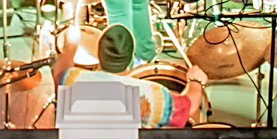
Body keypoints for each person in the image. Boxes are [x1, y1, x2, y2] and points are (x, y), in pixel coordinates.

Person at [55, 23, 203, 128]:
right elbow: (189, 107)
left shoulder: (72, 80)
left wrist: (72, 46)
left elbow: (58, 72)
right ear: (130, 59)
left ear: (99, 55)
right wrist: (195, 80)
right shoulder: (153, 95)